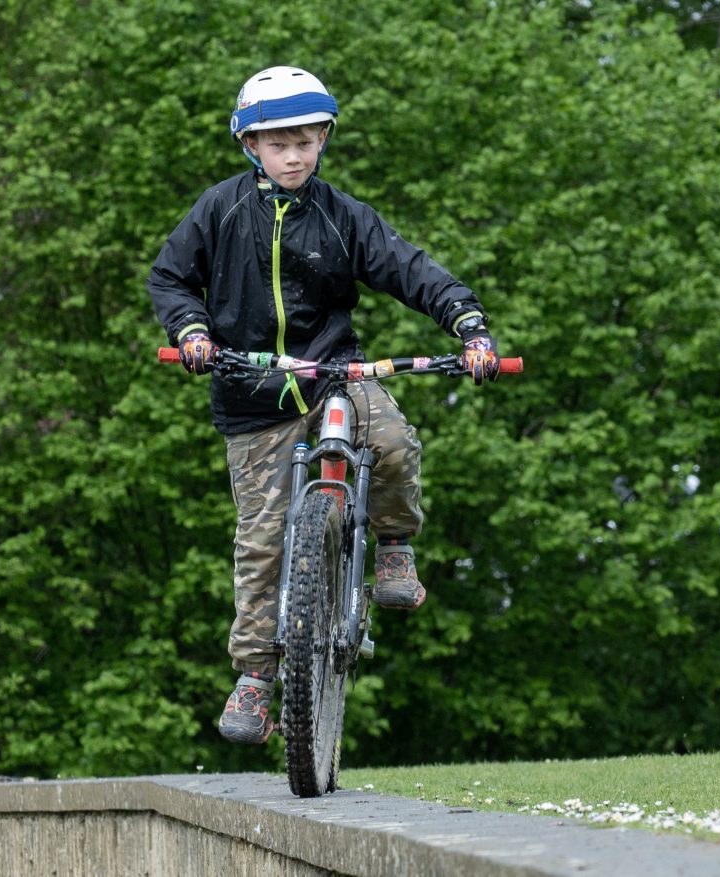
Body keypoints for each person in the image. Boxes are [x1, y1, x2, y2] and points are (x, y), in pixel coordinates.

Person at [148, 65, 501, 745]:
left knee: (394, 439)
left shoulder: (342, 217)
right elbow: (169, 278)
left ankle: (394, 547)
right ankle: (254, 677)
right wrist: (191, 331)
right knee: (261, 542)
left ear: (323, 141)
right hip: (252, 397)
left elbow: (410, 268)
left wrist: (468, 323)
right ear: (251, 146)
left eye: (306, 142)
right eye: (278, 144)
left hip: (335, 375)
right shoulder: (219, 210)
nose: (293, 156)